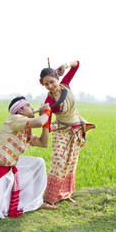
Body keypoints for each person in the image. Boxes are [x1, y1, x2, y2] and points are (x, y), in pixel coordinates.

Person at [39, 60, 95, 205]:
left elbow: (77, 64)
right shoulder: (48, 100)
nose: (50, 86)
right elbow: (47, 121)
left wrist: (65, 65)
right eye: (46, 84)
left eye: (52, 82)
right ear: (43, 84)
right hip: (61, 130)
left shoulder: (66, 85)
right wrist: (42, 116)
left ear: (58, 79)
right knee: (58, 162)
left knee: (71, 162)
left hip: (75, 129)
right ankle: (50, 199)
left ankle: (65, 194)